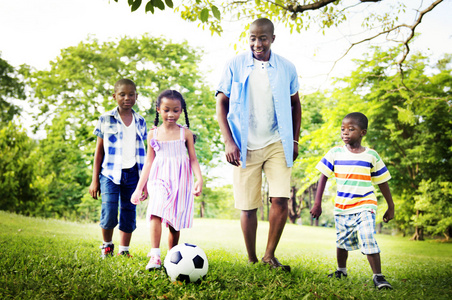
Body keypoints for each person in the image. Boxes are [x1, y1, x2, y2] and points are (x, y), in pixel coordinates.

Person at [216, 18, 302, 271]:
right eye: (253, 38)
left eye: (263, 38)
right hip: (244, 143)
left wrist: (295, 139)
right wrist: (229, 141)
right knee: (248, 205)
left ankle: (269, 255)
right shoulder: (235, 64)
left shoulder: (287, 67)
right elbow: (221, 103)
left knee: (280, 199)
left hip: (278, 140)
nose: (257, 43)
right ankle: (252, 259)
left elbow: (296, 103)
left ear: (272, 38)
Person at [310, 112, 395, 290]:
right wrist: (317, 203)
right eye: (343, 129)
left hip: (366, 204)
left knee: (368, 237)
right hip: (342, 207)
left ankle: (378, 277)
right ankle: (341, 270)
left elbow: (382, 181)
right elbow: (323, 177)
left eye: (351, 129)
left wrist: (390, 206)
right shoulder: (335, 153)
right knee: (342, 241)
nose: (345, 133)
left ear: (362, 132)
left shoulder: (371, 155)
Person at [130, 89, 203, 271]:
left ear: (181, 111)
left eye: (176, 110)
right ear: (158, 110)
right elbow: (149, 162)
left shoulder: (185, 133)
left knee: (174, 222)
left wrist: (199, 179)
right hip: (159, 177)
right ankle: (155, 255)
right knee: (155, 210)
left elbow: (193, 159)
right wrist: (140, 188)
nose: (171, 114)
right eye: (166, 109)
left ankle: (172, 256)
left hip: (180, 179)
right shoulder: (153, 134)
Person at [89, 78, 148, 258]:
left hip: (133, 174)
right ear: (115, 96)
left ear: (136, 97)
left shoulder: (140, 121)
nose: (126, 98)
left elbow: (146, 152)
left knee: (129, 212)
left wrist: (144, 182)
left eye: (131, 94)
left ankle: (124, 250)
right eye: (122, 94)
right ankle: (107, 246)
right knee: (109, 211)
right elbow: (99, 152)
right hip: (109, 174)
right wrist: (94, 180)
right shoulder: (105, 119)